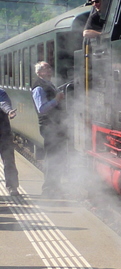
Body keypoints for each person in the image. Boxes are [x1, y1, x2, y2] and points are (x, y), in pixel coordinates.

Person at [31, 61, 67, 197]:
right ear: (39, 72)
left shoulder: (49, 84)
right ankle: (48, 189)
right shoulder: (39, 87)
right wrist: (57, 99)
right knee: (52, 158)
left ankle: (55, 187)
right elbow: (42, 108)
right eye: (46, 69)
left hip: (56, 126)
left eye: (50, 68)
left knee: (58, 158)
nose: (49, 71)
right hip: (49, 126)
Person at [0, 86, 19, 197]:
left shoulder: (1, 92)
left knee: (8, 160)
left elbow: (3, 102)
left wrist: (9, 111)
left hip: (3, 132)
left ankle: (12, 186)